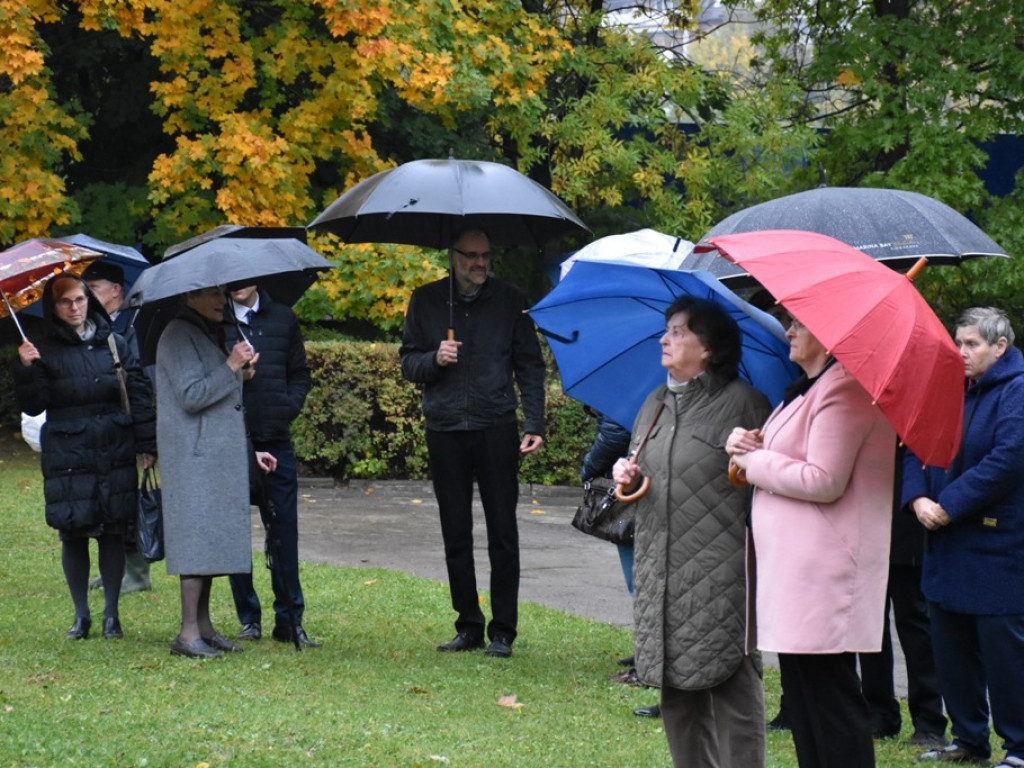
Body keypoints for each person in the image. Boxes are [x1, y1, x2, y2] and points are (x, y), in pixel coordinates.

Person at [726, 313, 896, 768]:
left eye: (799, 323)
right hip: (797, 571)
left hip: (824, 573)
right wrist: (750, 444)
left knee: (830, 700)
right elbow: (790, 454)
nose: (788, 331)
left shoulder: (846, 389)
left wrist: (756, 461)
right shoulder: (807, 387)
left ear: (830, 334)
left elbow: (824, 479)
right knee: (804, 699)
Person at [612, 296, 771, 767]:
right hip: (658, 566)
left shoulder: (745, 404)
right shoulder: (654, 403)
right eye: (667, 330)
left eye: (679, 331)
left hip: (719, 568)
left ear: (710, 349)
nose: (665, 339)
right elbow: (649, 468)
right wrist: (629, 473)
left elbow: (766, 484)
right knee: (673, 686)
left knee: (731, 682)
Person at [399, 226, 546, 659]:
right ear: (452, 256)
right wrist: (434, 360)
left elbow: (530, 366)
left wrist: (533, 421)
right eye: (470, 256)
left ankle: (503, 631)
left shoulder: (510, 300)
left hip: (495, 426)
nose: (480, 264)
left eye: (485, 256)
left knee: (503, 531)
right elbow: (408, 362)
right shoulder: (425, 300)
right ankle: (468, 625)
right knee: (455, 532)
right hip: (444, 427)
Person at [903, 307, 1024, 767]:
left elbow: (1008, 460)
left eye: (971, 344)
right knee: (950, 650)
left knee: (1003, 654)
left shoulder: (1017, 391)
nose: (961, 352)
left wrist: (948, 505)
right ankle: (969, 740)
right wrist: (917, 500)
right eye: (958, 343)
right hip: (943, 540)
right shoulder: (950, 388)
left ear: (1000, 347)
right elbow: (916, 444)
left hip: (996, 546)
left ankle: (1019, 748)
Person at [13, 273, 156, 640]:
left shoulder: (114, 342)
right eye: (66, 302)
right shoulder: (41, 347)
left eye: (80, 299)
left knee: (111, 530)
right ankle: (81, 615)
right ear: (54, 306)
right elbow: (33, 404)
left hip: (113, 443)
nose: (75, 308)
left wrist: (148, 445)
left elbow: (137, 392)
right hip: (68, 449)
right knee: (72, 531)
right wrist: (27, 369)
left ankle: (112, 615)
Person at [155, 285, 276, 659]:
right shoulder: (177, 334)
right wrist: (231, 366)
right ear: (189, 296)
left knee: (207, 538)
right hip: (193, 456)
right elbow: (191, 396)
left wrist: (241, 375)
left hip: (209, 454)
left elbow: (213, 388)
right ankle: (188, 633)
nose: (222, 301)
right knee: (195, 541)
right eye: (213, 294)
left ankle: (203, 627)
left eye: (223, 294)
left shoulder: (203, 331)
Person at [224, 285, 318, 648]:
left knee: (283, 530)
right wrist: (237, 374)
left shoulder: (282, 317)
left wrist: (286, 407)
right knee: (234, 534)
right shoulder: (217, 320)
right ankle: (248, 618)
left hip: (276, 439)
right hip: (232, 441)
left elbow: (300, 374)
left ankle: (290, 619)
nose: (240, 283)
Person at [858, 447, 948, 747]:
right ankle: (879, 712)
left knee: (914, 625)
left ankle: (929, 720)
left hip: (906, 524)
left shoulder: (916, 415)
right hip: (867, 519)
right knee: (870, 624)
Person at [580, 407, 660, 716]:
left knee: (640, 578)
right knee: (641, 578)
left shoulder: (635, 388)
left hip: (638, 491)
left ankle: (648, 658)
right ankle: (645, 650)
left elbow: (615, 430)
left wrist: (588, 467)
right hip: (642, 486)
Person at [83, 260, 152, 593]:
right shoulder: (93, 326)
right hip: (102, 425)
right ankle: (113, 569)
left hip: (128, 424)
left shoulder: (133, 323)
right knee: (103, 500)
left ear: (116, 290)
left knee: (128, 501)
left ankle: (137, 573)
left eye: (94, 290)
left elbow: (140, 378)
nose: (87, 297)